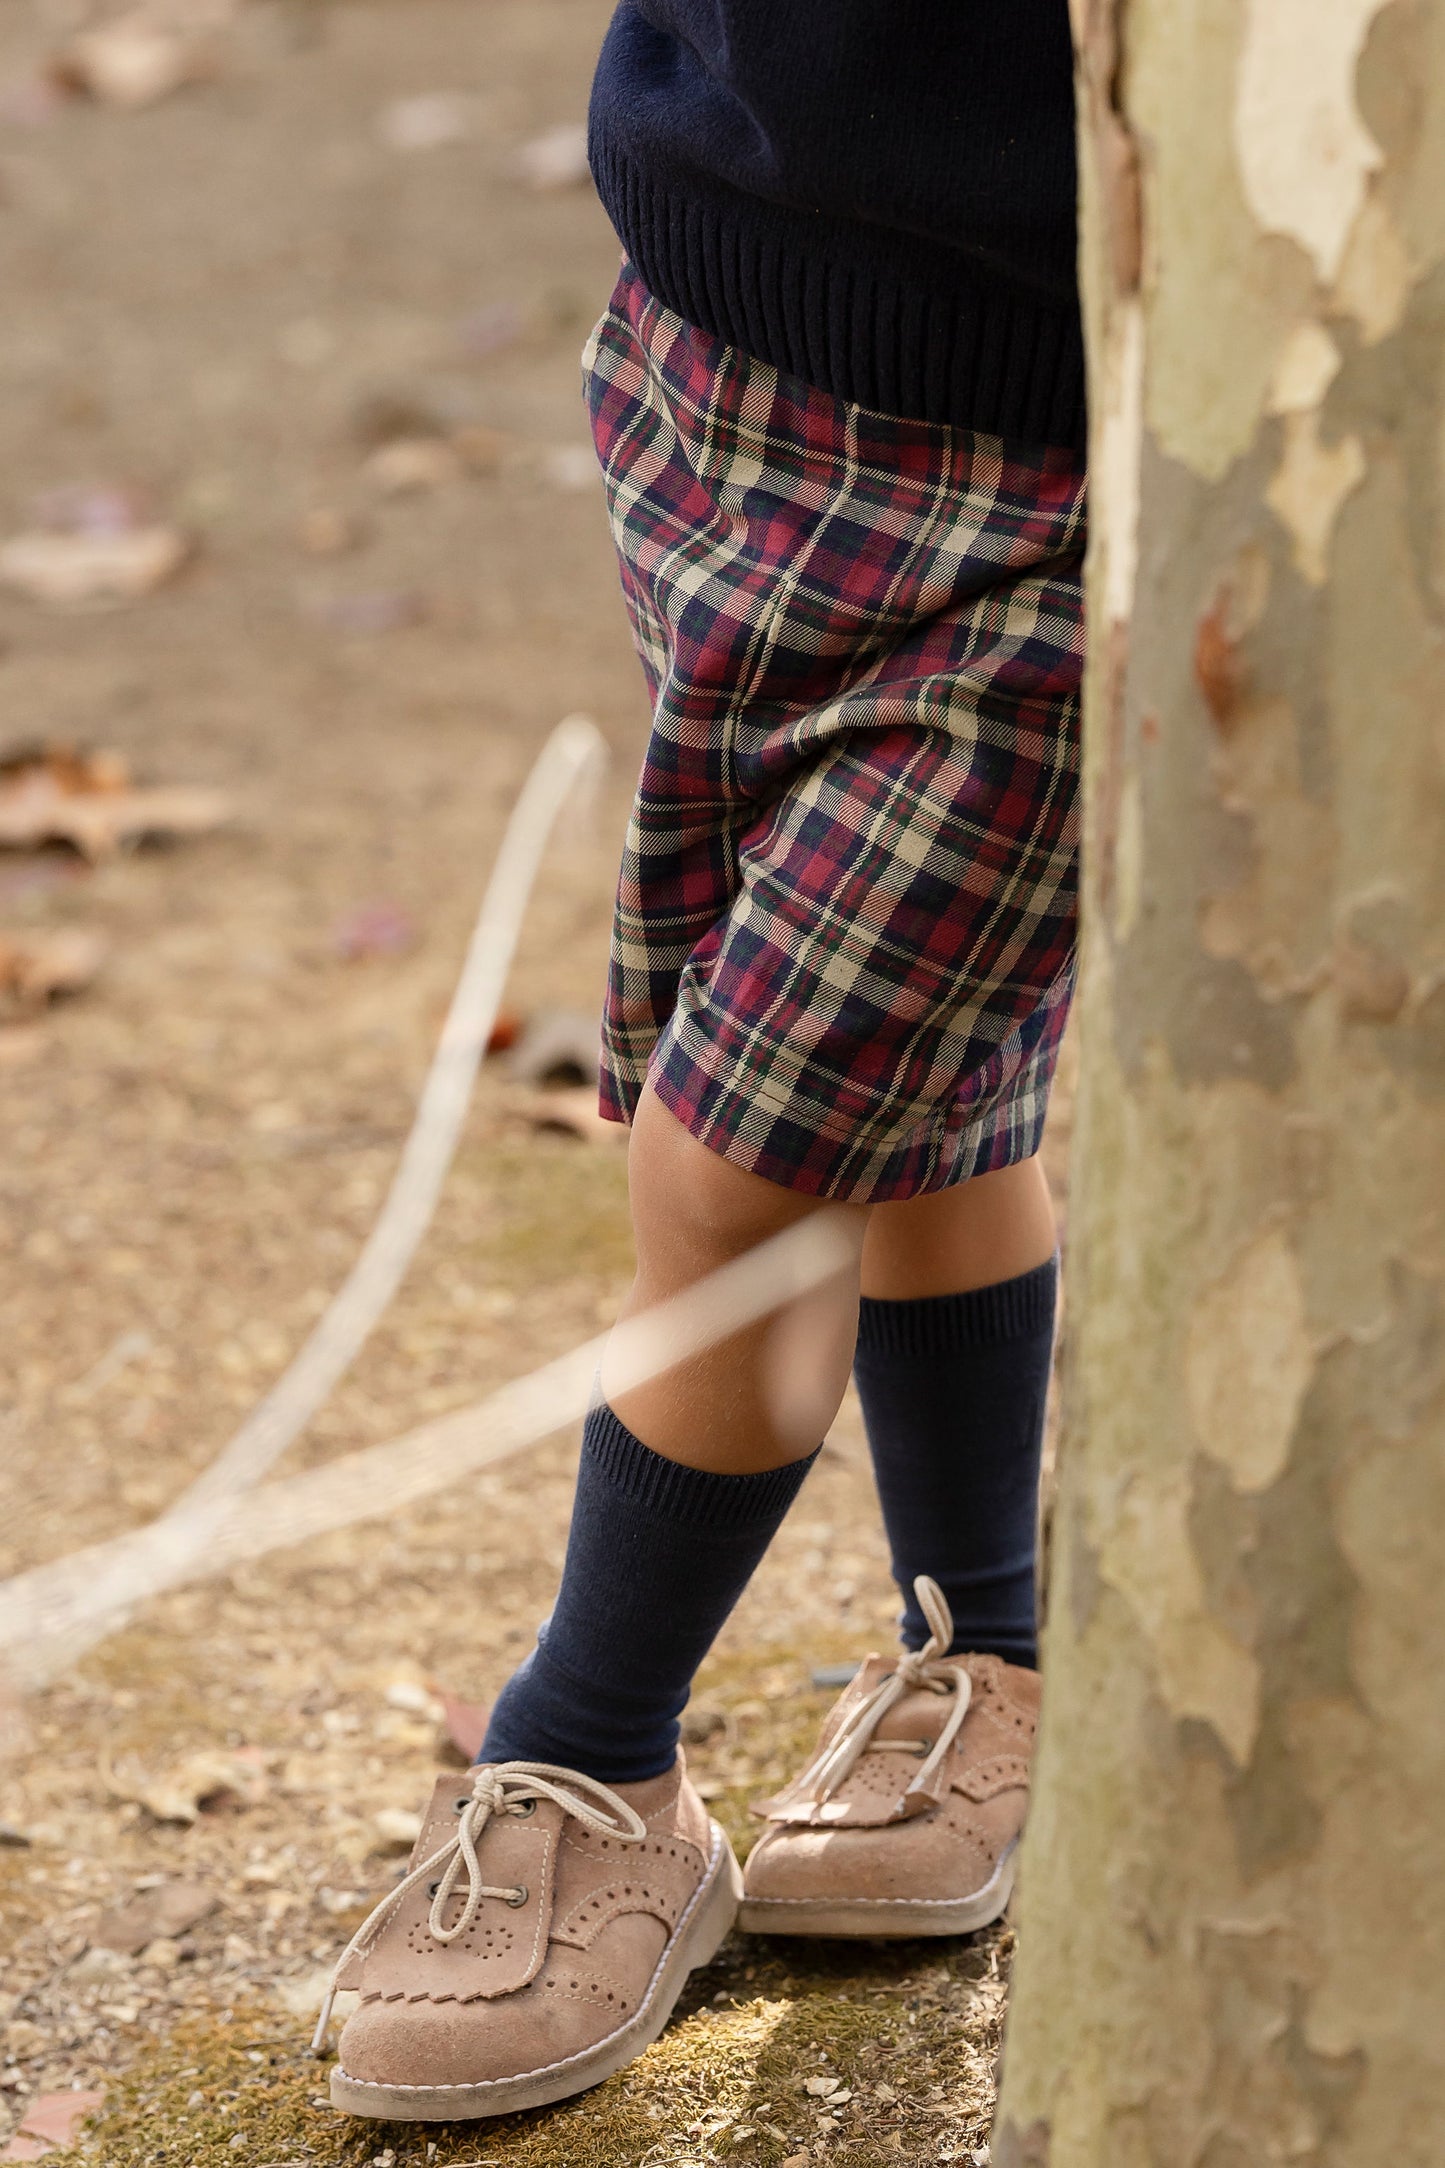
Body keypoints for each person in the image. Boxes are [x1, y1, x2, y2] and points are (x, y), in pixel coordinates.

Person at [318, 0, 1086, 2121]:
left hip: (1081, 459)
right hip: (729, 345)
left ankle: (594, 1746)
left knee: (732, 1162)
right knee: (921, 1093)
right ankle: (989, 1648)